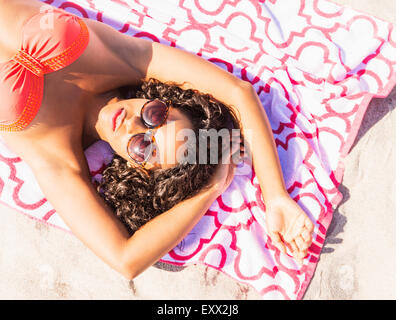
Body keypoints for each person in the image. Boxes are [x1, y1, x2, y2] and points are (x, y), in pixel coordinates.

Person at [0, 0, 313, 279]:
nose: (133, 125)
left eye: (143, 147)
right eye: (155, 115)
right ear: (165, 101)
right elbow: (237, 93)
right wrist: (276, 196)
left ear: (136, 170)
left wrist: (211, 188)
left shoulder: (58, 159)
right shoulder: (129, 59)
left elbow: (126, 259)